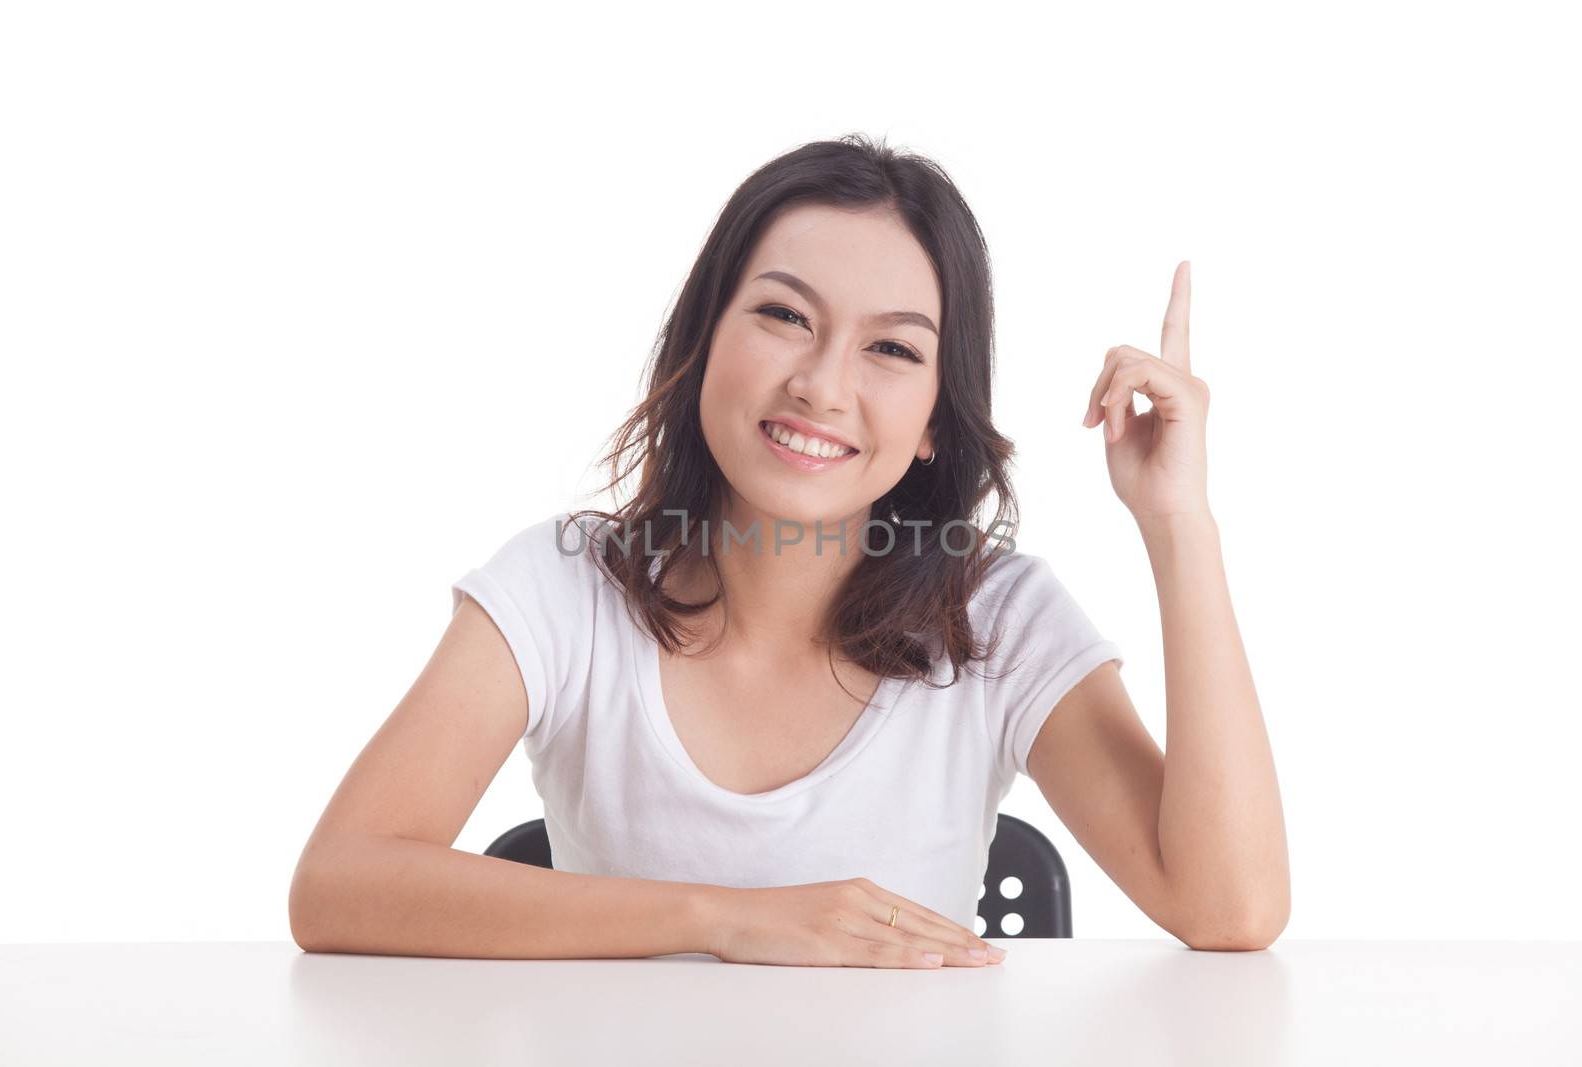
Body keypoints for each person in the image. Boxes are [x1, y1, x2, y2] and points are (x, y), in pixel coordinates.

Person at [288, 133, 1289, 968]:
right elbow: (338, 883)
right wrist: (724, 917)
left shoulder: (998, 618)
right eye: (783, 315)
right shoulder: (561, 588)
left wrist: (1177, 520)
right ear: (703, 340)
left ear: (938, 417)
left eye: (890, 348)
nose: (820, 382)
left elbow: (1229, 909)